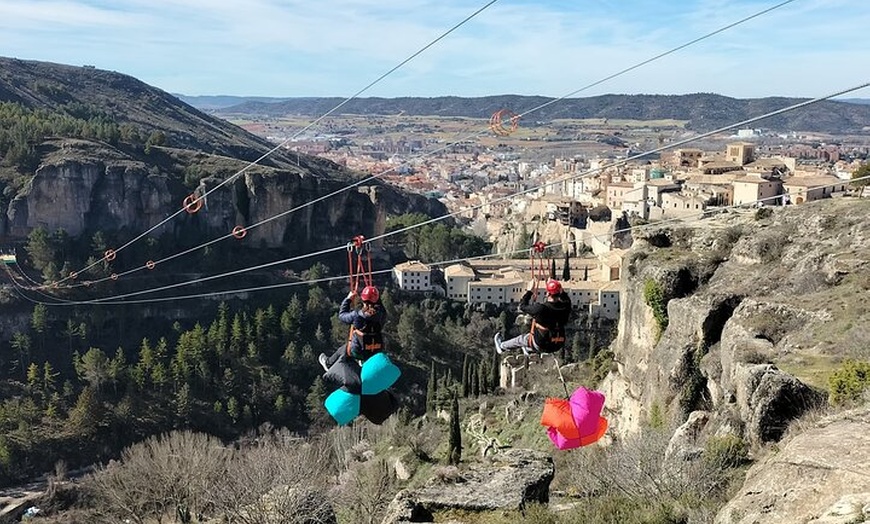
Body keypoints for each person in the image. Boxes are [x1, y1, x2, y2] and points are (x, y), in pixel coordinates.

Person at [319, 285, 387, 372]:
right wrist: (374, 295)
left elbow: (342, 315)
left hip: (358, 352)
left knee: (345, 349)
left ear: (363, 300)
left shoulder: (357, 315)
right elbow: (379, 305)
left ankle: (329, 363)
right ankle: (362, 363)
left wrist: (348, 299)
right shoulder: (382, 314)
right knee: (350, 348)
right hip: (375, 351)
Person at [494, 278, 571, 355]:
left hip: (541, 345)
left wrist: (529, 291)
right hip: (557, 344)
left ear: (547, 294)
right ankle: (529, 349)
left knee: (522, 339)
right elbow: (565, 297)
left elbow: (522, 306)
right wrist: (555, 286)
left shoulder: (540, 309)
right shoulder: (566, 306)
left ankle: (501, 347)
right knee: (535, 334)